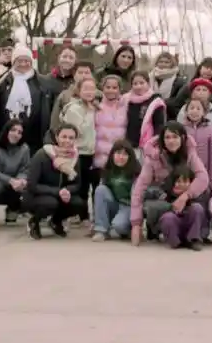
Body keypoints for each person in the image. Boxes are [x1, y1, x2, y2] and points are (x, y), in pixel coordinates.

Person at [130, 122, 209, 249]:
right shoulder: (153, 158)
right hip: (166, 201)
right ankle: (168, 235)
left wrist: (185, 196)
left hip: (186, 200)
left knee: (199, 203)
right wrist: (136, 224)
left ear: (182, 138)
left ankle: (195, 237)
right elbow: (139, 188)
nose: (171, 141)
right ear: (162, 140)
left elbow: (203, 177)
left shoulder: (190, 154)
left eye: (175, 137)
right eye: (167, 137)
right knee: (166, 217)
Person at [23, 124, 84, 240]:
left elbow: (77, 184)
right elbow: (32, 185)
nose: (67, 140)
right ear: (57, 137)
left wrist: (67, 190)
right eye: (64, 137)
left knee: (78, 203)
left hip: (59, 194)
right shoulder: (43, 154)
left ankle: (56, 221)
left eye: (71, 138)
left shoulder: (74, 157)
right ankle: (34, 221)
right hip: (37, 195)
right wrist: (58, 191)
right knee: (50, 203)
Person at [0, 44, 56, 152]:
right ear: (13, 62)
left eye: (26, 60)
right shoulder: (3, 82)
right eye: (19, 61)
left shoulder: (41, 82)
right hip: (7, 136)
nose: (23, 64)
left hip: (34, 137)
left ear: (31, 62)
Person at [60, 76, 99, 223]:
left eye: (92, 89)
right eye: (86, 89)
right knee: (80, 186)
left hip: (93, 152)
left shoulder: (95, 107)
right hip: (79, 153)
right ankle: (80, 215)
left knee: (94, 185)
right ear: (79, 90)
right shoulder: (73, 109)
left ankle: (94, 216)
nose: (89, 92)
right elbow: (80, 130)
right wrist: (90, 112)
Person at [92, 139, 141, 241]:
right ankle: (101, 230)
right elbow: (100, 199)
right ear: (112, 154)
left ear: (130, 156)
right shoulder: (108, 168)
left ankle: (128, 230)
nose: (121, 157)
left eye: (125, 154)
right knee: (100, 189)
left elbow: (139, 197)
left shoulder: (136, 170)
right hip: (114, 203)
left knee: (119, 226)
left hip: (128, 206)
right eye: (118, 153)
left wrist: (136, 222)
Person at [0, 118, 30, 225]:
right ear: (6, 130)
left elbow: (25, 168)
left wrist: (21, 179)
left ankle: (13, 208)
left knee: (24, 185)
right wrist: (11, 180)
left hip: (15, 183)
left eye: (20, 132)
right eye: (13, 130)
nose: (16, 134)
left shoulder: (24, 148)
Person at [124, 71, 168, 152]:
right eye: (135, 84)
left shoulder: (155, 101)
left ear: (148, 83)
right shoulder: (126, 100)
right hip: (128, 144)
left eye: (142, 83)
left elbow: (159, 125)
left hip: (146, 145)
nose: (138, 86)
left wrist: (155, 143)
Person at [180, 97, 212, 187]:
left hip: (203, 173)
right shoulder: (181, 128)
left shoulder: (209, 129)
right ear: (186, 111)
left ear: (204, 113)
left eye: (198, 108)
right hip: (185, 174)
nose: (195, 111)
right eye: (192, 108)